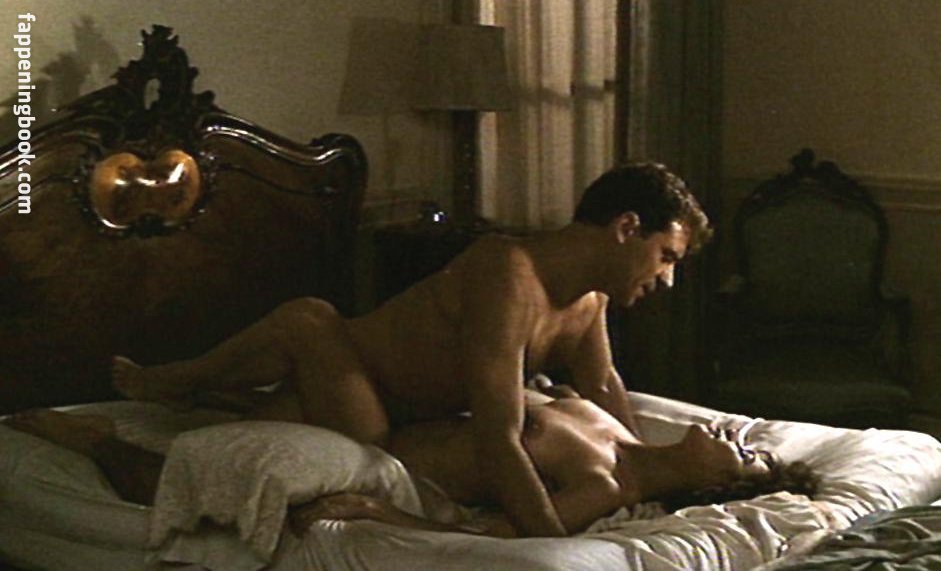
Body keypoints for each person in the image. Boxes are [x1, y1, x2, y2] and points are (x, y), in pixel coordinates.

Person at [110, 162, 713, 537]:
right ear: (626, 228)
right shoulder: (509, 272)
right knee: (309, 322)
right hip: (360, 382)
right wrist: (547, 539)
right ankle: (179, 382)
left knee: (224, 436)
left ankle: (202, 394)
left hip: (400, 413)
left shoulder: (589, 299)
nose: (666, 279)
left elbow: (603, 386)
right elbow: (497, 432)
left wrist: (645, 468)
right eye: (666, 257)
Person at [2, 386, 816, 539]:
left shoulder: (602, 485)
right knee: (297, 339)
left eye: (746, 458)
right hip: (392, 411)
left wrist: (383, 512)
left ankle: (93, 442)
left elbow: (507, 535)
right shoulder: (606, 418)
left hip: (385, 460)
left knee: (180, 472)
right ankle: (166, 389)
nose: (735, 438)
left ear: (714, 483)